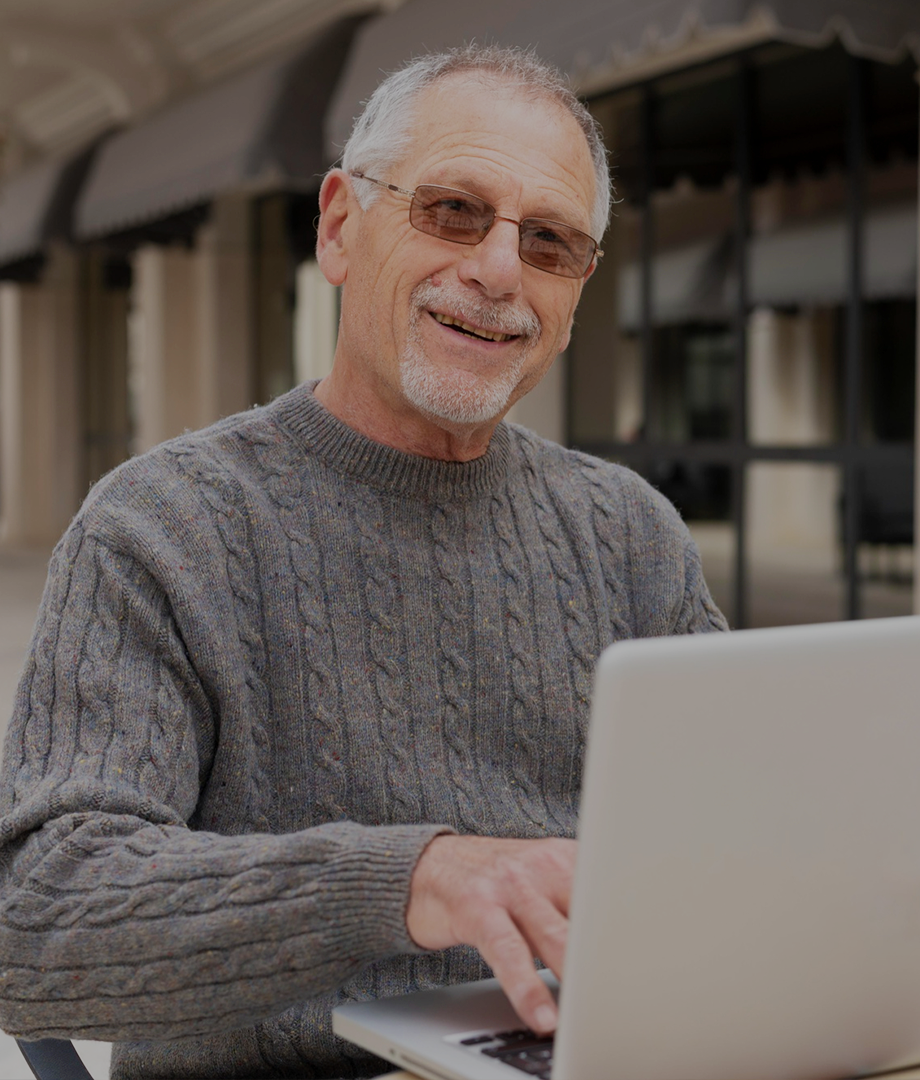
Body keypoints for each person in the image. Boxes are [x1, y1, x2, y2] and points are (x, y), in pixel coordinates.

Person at [0, 45, 726, 1080]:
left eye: (550, 242)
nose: (496, 270)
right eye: (452, 211)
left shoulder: (629, 533)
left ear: (573, 297)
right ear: (340, 227)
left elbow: (736, 847)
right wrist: (408, 881)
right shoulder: (162, 527)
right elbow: (35, 920)